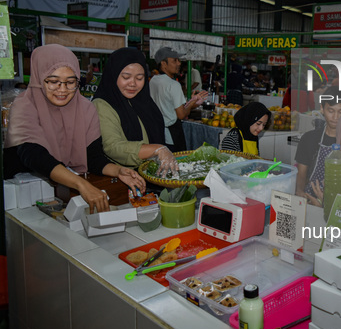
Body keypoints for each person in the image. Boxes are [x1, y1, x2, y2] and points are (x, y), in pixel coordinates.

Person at [3, 44, 146, 213]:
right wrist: (81, 184)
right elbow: (33, 154)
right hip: (22, 198)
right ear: (39, 78)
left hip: (61, 195)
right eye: (53, 82)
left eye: (70, 82)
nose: (62, 90)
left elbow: (93, 158)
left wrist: (119, 171)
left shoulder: (86, 109)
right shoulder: (24, 105)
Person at [93, 47, 179, 178]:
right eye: (126, 77)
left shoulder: (144, 101)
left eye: (139, 78)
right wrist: (156, 149)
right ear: (113, 75)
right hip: (124, 178)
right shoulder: (102, 104)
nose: (132, 84)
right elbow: (113, 146)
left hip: (151, 175)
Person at [295, 86, 341, 201]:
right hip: (310, 197)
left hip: (339, 204)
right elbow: (301, 174)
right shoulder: (309, 138)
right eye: (331, 111)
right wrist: (300, 192)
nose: (335, 117)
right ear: (322, 109)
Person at [149, 47, 208, 152]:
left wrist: (193, 101)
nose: (179, 63)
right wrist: (192, 102)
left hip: (157, 133)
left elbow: (171, 107)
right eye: (174, 60)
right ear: (163, 63)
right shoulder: (173, 84)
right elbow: (181, 115)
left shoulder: (154, 80)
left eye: (179, 60)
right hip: (172, 135)